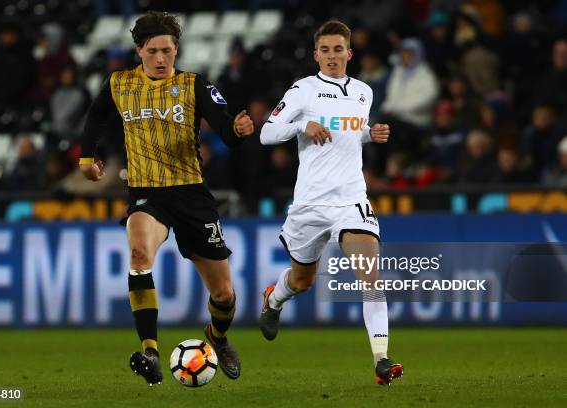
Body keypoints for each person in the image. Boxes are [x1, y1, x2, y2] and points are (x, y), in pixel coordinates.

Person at [78, 11, 254, 385]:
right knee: (140, 255)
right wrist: (85, 157)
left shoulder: (194, 85)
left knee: (223, 295)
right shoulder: (119, 84)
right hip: (147, 194)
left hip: (192, 194)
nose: (162, 59)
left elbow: (223, 125)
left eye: (168, 51)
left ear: (177, 51)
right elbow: (94, 117)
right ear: (139, 50)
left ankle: (217, 337)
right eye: (154, 51)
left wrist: (236, 131)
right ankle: (150, 351)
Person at [258, 20, 403, 386]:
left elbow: (349, 135)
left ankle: (382, 360)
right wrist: (301, 127)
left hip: (351, 199)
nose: (332, 56)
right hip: (310, 204)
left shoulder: (363, 93)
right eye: (325, 50)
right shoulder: (302, 91)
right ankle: (275, 298)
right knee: (302, 281)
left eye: (339, 49)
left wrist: (371, 134)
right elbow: (266, 133)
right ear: (316, 55)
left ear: (349, 53)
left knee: (371, 275)